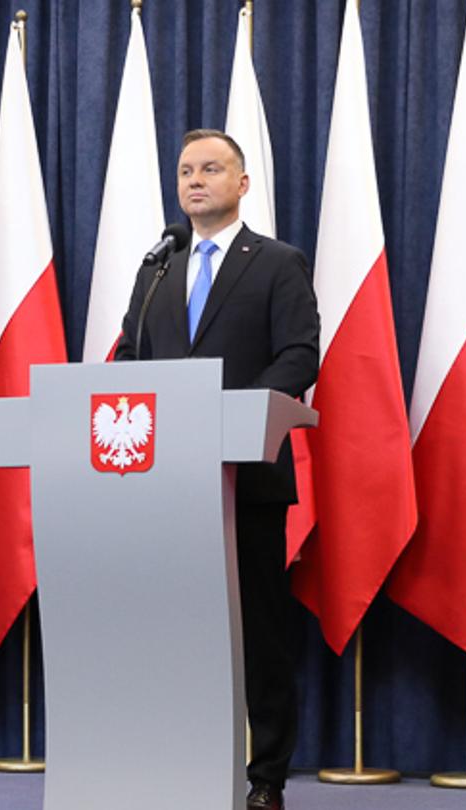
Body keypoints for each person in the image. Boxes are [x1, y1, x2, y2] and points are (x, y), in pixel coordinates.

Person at [115, 129, 319, 810]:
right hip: (168, 481)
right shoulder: (159, 267)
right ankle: (179, 761)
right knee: (176, 628)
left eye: (211, 169)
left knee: (258, 633)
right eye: (184, 171)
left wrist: (229, 413)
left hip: (247, 479)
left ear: (243, 184)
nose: (195, 181)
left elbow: (299, 356)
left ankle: (265, 779)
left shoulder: (277, 262)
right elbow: (131, 358)